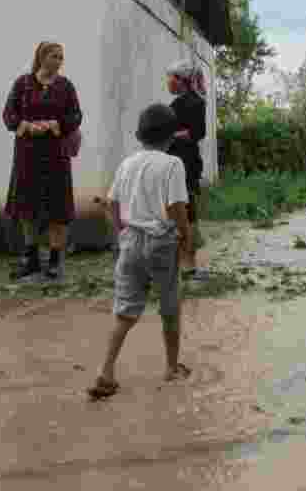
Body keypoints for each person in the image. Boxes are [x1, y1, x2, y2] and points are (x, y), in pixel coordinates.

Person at [87, 103, 193, 399]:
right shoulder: (173, 165)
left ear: (140, 135)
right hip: (161, 242)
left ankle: (105, 371)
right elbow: (176, 208)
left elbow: (113, 205)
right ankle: (171, 368)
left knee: (125, 311)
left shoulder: (127, 164)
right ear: (171, 137)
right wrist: (186, 237)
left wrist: (121, 234)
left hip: (130, 241)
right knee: (170, 307)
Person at [3, 41, 83, 282]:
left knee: (57, 207)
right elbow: (9, 114)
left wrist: (56, 124)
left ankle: (56, 261)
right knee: (27, 204)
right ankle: (31, 259)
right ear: (41, 57)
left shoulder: (66, 86)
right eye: (53, 56)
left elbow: (76, 115)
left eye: (61, 57)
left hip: (56, 154)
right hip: (28, 153)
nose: (58, 61)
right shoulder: (23, 84)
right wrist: (25, 125)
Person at [165, 59, 207, 279]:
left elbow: (197, 132)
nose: (167, 82)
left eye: (170, 77)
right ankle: (180, 264)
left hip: (185, 164)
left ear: (181, 80)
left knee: (186, 212)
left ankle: (188, 265)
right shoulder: (178, 103)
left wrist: (169, 136)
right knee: (176, 211)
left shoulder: (193, 102)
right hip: (174, 164)